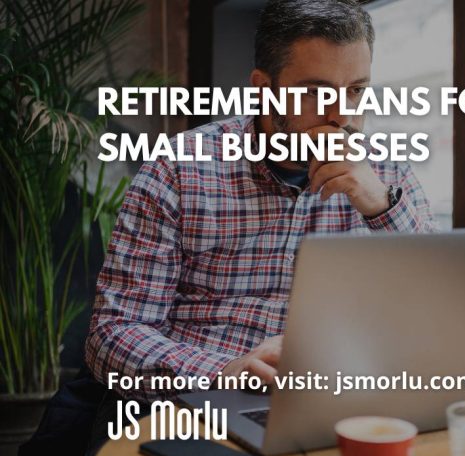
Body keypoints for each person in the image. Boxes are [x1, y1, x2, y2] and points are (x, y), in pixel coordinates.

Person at [85, 0, 438, 404]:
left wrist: (381, 207)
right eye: (316, 92)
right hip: (203, 398)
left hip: (340, 399)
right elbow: (112, 335)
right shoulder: (178, 171)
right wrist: (222, 373)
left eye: (356, 90)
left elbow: (439, 312)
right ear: (263, 87)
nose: (344, 115)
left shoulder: (387, 177)